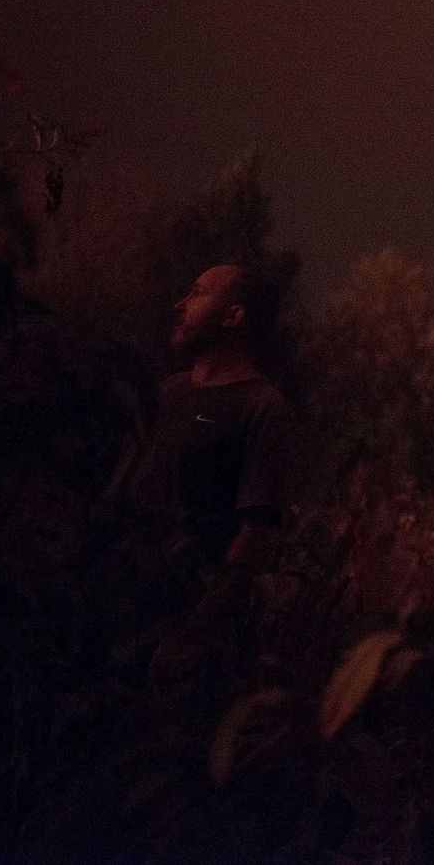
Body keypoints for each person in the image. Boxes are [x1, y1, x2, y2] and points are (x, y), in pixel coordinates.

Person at [108, 263, 293, 695]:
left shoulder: (262, 407)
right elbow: (125, 484)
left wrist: (194, 634)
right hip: (122, 606)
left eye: (196, 293)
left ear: (232, 316)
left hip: (180, 630)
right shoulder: (167, 393)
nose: (180, 304)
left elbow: (256, 533)